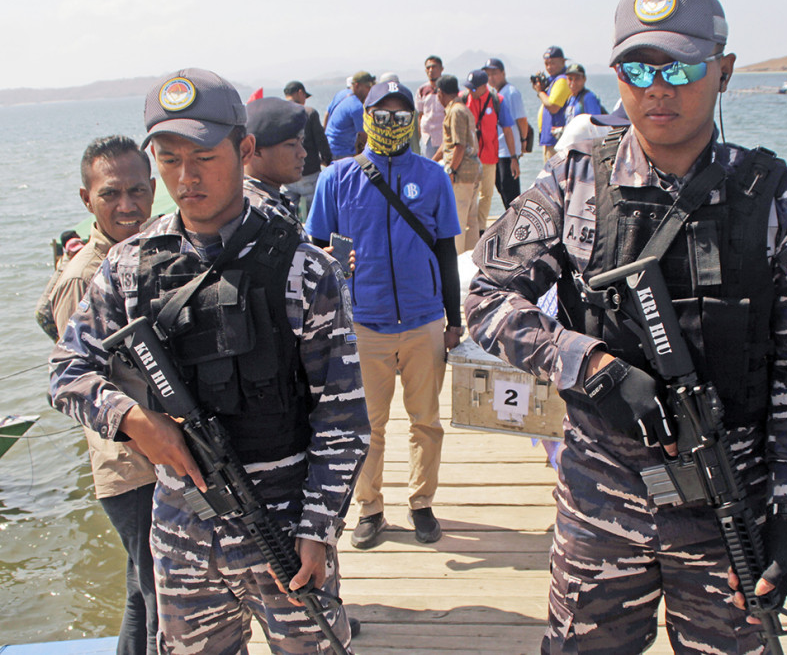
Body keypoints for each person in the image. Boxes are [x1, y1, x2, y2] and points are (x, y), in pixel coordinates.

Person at [464, 0, 787, 652]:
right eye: (639, 68)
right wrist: (590, 366)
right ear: (616, 75)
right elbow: (485, 299)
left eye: (681, 67)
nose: (658, 86)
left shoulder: (775, 201)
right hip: (600, 496)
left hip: (731, 501)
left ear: (723, 72)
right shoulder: (575, 182)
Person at [49, 67, 369, 654]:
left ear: (244, 150)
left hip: (285, 521)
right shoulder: (129, 266)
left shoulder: (304, 270)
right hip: (182, 525)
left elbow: (343, 418)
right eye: (169, 160)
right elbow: (68, 370)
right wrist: (135, 422)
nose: (186, 177)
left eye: (203, 157)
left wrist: (319, 531)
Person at [305, 80, 463, 550]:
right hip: (362, 324)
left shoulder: (432, 176)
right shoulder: (335, 178)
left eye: (401, 115)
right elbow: (315, 252)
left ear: (413, 120)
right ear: (366, 117)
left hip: (423, 320)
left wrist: (453, 320)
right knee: (367, 426)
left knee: (426, 421)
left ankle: (422, 503)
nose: (392, 123)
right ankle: (369, 507)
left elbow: (447, 252)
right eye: (382, 114)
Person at [49, 135, 158, 655]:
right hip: (130, 466)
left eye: (137, 191)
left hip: (171, 457)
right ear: (86, 199)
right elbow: (71, 382)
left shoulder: (152, 254)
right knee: (160, 593)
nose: (128, 206)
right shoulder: (83, 277)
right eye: (111, 194)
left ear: (155, 189)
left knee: (143, 589)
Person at [463, 69, 517, 238]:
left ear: (483, 86)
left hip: (489, 157)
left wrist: (514, 158)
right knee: (467, 194)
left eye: (474, 88)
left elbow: (508, 131)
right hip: (468, 159)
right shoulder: (463, 99)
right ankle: (467, 227)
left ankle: (479, 229)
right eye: (469, 87)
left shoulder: (497, 101)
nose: (470, 91)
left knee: (486, 194)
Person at [243, 96, 308, 225]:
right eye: (291, 144)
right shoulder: (261, 214)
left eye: (301, 142)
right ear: (254, 150)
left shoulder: (257, 200)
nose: (303, 153)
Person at [435, 74, 482, 253]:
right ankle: (472, 259)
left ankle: (459, 260)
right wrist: (432, 162)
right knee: (472, 220)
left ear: (440, 93)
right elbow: (448, 143)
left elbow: (459, 146)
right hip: (473, 171)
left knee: (458, 221)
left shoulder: (455, 112)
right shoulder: (463, 108)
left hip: (462, 173)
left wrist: (451, 170)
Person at [483, 58, 529, 210]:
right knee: (501, 188)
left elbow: (522, 119)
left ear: (503, 73)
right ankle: (509, 222)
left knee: (511, 192)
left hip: (509, 151)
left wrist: (523, 140)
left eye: (495, 73)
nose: (491, 78)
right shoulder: (495, 94)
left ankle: (518, 224)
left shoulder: (511, 92)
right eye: (488, 74)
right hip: (497, 150)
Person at [282, 81, 332, 220]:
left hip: (286, 175)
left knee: (287, 215)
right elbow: (321, 141)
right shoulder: (309, 113)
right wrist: (328, 161)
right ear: (300, 93)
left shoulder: (278, 114)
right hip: (309, 172)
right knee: (315, 216)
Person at [325, 71, 375, 160]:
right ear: (357, 86)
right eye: (368, 87)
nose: (370, 91)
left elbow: (327, 113)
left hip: (329, 147)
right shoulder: (357, 106)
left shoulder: (341, 94)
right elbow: (364, 136)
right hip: (342, 152)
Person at [533, 45, 570, 161]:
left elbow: (553, 107)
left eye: (553, 63)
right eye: (546, 64)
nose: (549, 67)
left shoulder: (562, 80)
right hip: (551, 139)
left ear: (563, 62)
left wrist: (540, 92)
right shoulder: (554, 80)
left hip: (557, 141)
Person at [416, 56, 445, 159]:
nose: (431, 70)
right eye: (428, 68)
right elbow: (420, 115)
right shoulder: (421, 90)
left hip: (443, 136)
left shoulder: (447, 88)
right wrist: (420, 136)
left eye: (434, 67)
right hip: (427, 138)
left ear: (442, 69)